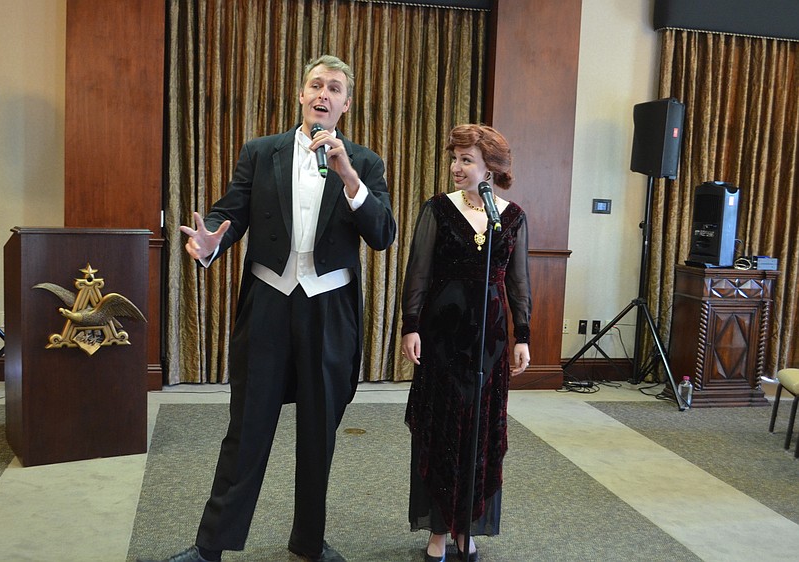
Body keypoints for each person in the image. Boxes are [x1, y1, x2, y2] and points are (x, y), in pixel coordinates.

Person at [141, 55, 396, 562]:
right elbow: (230, 212)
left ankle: (307, 542)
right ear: (301, 94)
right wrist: (212, 239)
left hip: (329, 311)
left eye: (335, 89)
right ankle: (210, 545)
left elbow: (382, 234)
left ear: (346, 104)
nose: (323, 95)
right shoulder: (261, 152)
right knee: (247, 428)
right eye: (315, 85)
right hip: (269, 306)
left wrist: (347, 177)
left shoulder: (364, 163)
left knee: (319, 433)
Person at [400, 124, 531, 562]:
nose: (456, 167)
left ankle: (467, 528)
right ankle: (439, 531)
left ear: (490, 168)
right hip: (441, 338)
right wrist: (411, 325)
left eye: (466, 160)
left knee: (479, 434)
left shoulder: (511, 217)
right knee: (440, 433)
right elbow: (417, 272)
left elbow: (518, 281)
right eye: (454, 158)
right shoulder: (437, 209)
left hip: (489, 343)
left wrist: (523, 336)